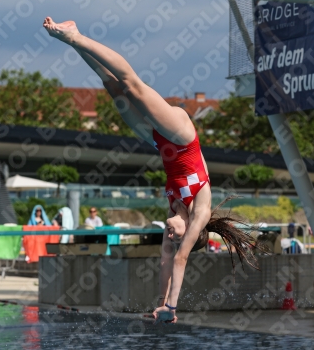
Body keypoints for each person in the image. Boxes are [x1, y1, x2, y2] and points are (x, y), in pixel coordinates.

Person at [43, 17, 262, 324]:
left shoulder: (174, 212)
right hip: (182, 137)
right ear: (192, 233)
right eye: (175, 234)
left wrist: (160, 304)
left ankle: (71, 41)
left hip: (159, 141)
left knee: (113, 88)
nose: (169, 233)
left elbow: (165, 261)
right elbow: (180, 258)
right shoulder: (199, 210)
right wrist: (173, 307)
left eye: (168, 234)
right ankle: (75, 36)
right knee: (131, 86)